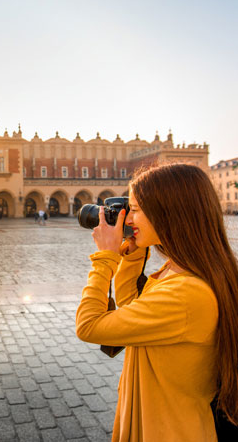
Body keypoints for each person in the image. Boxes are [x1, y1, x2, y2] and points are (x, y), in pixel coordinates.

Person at [76, 163, 238, 442]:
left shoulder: (186, 292)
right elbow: (132, 308)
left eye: (136, 209)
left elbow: (89, 326)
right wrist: (133, 252)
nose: (128, 220)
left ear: (168, 213)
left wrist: (105, 258)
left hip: (168, 431)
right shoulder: (181, 270)